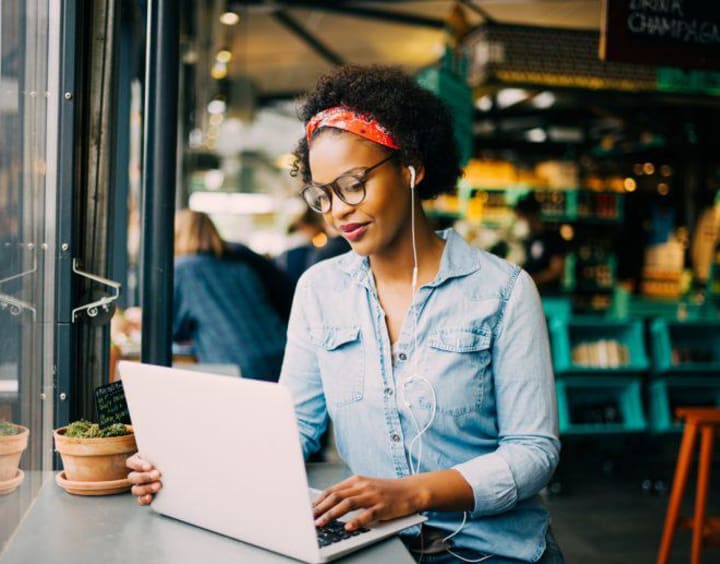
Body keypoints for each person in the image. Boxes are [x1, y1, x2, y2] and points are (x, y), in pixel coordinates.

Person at [128, 66, 563, 563]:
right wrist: (184, 468)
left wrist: (413, 494)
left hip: (494, 554)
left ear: (411, 168)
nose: (338, 211)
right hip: (377, 548)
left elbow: (534, 453)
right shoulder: (320, 290)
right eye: (323, 194)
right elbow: (292, 427)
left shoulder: (503, 291)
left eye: (353, 185)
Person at [171, 209, 291, 380]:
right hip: (280, 354)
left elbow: (174, 330)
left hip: (237, 366)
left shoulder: (184, 269)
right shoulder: (240, 267)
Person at [514, 194, 567, 295]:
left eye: (521, 218)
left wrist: (532, 280)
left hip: (548, 295)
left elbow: (556, 270)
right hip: (527, 294)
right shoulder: (525, 239)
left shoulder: (553, 237)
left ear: (531, 216)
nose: (519, 222)